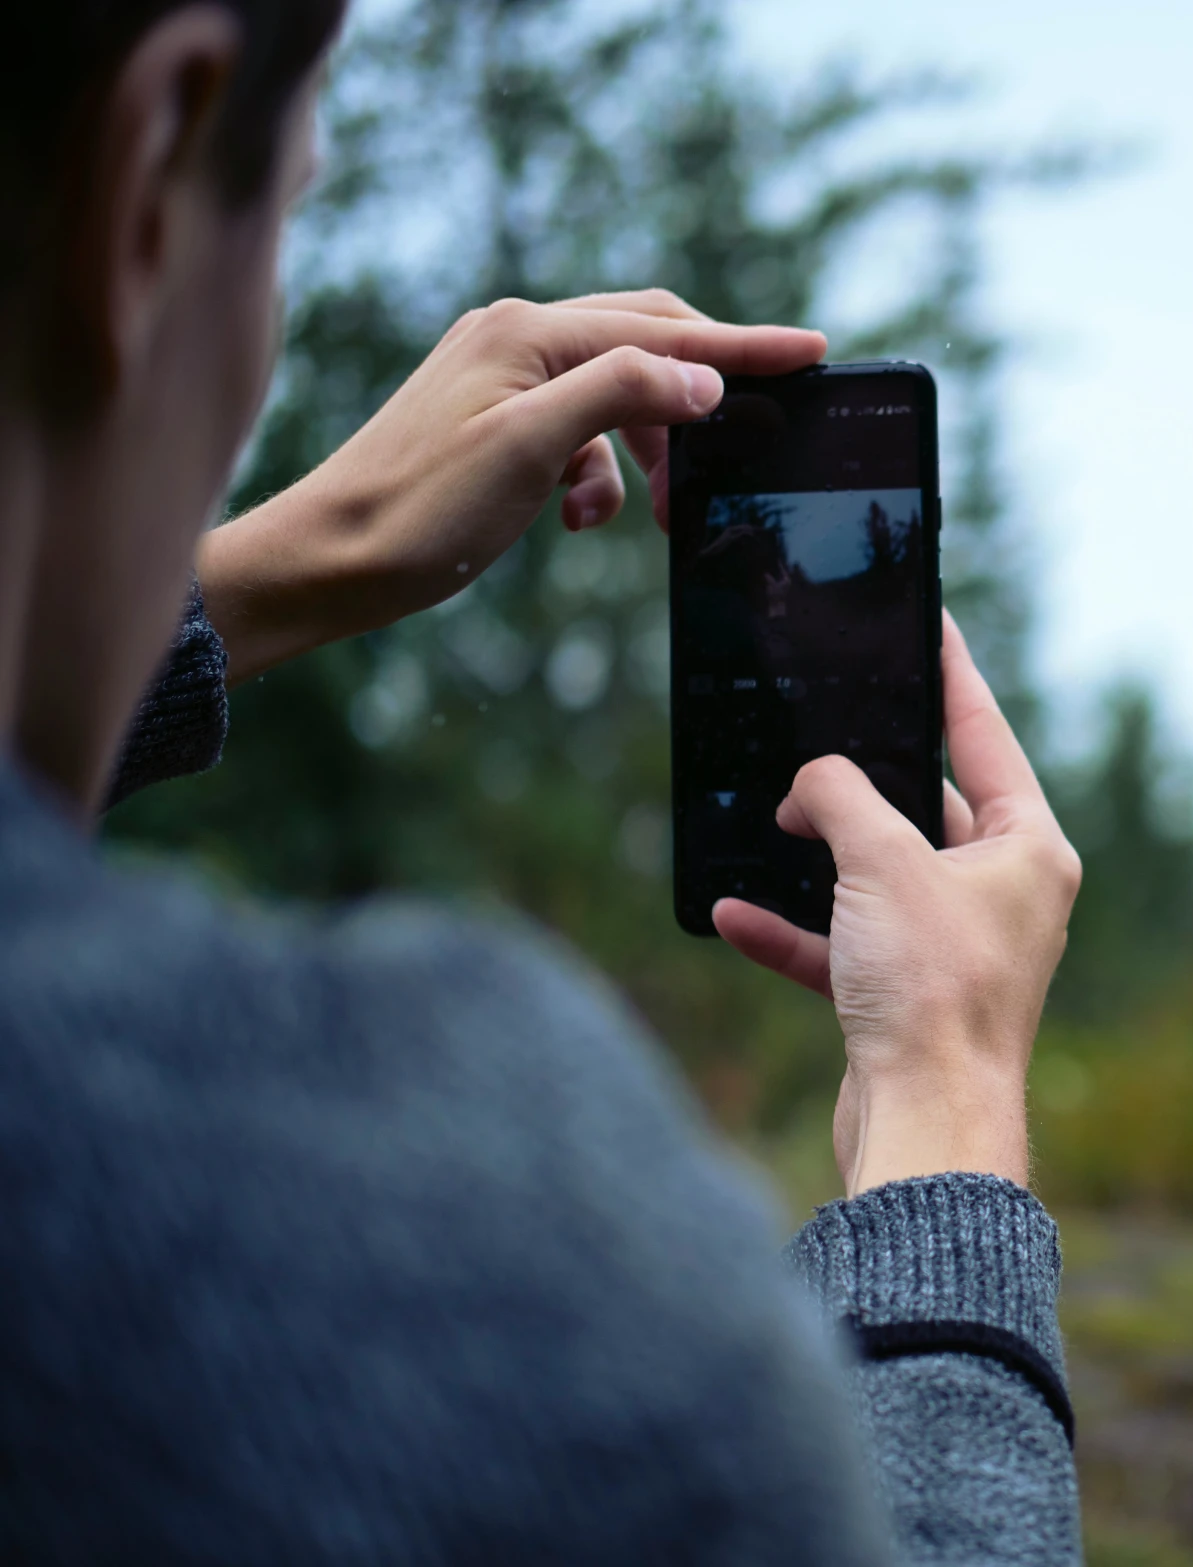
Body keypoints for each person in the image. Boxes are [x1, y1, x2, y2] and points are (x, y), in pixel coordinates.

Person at [0, 4, 1085, 1563]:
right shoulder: (440, 1192)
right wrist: (947, 1102)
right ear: (152, 170)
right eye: (294, 211)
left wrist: (256, 582)